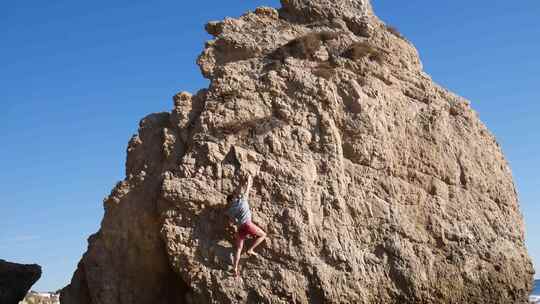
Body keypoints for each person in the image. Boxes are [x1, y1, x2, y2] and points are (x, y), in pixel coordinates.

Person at [226, 172, 267, 277]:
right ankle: (250, 249)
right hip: (247, 224)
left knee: (239, 249)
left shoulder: (229, 211)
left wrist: (237, 221)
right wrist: (248, 180)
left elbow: (232, 222)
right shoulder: (242, 201)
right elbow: (247, 189)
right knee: (263, 235)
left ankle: (235, 268)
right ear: (234, 199)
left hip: (240, 228)